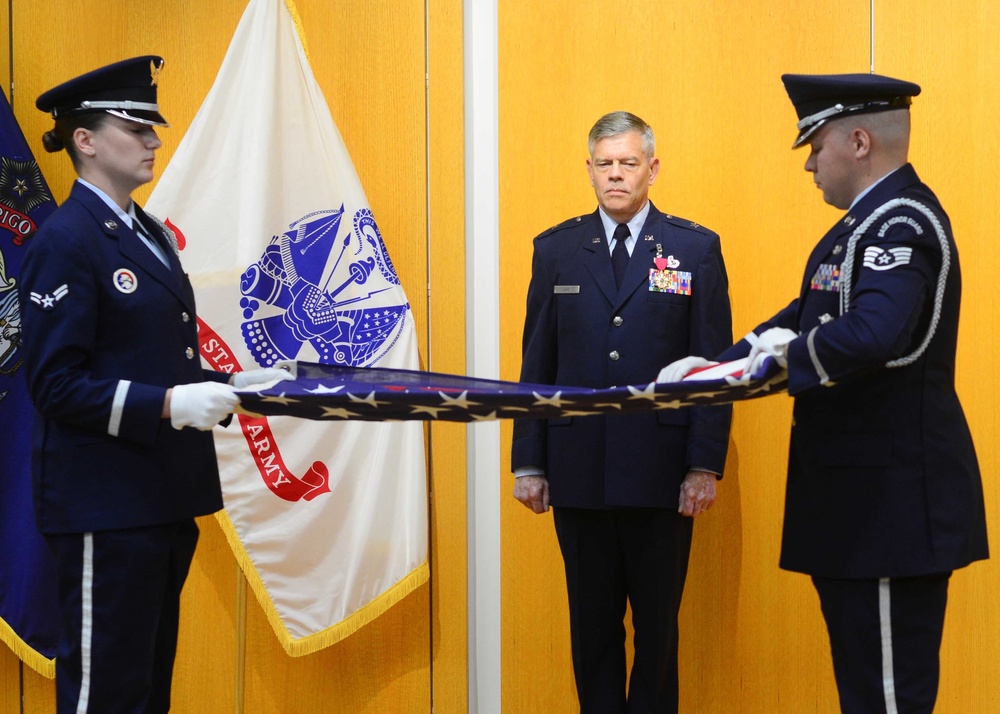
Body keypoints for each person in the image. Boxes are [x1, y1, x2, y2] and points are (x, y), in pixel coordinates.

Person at [661, 73, 989, 713]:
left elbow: (873, 333)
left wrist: (767, 365)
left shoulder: (903, 223)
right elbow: (798, 317)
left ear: (860, 140)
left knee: (887, 700)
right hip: (855, 510)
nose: (809, 164)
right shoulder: (857, 228)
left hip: (890, 511)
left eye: (815, 145)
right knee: (865, 695)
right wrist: (710, 372)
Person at [19, 56, 289, 713]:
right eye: (135, 126)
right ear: (84, 139)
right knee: (104, 696)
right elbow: (55, 385)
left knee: (143, 694)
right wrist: (171, 404)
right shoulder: (67, 240)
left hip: (158, 499)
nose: (153, 140)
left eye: (153, 127)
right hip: (102, 507)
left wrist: (232, 383)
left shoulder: (145, 233)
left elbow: (151, 358)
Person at [511, 110, 733, 713]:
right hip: (578, 471)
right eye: (604, 164)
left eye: (628, 163)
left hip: (662, 474)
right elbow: (537, 365)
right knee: (592, 630)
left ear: (652, 169)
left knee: (658, 631)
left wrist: (703, 465)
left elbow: (713, 370)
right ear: (588, 170)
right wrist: (528, 461)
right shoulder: (556, 250)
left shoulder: (694, 248)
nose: (616, 175)